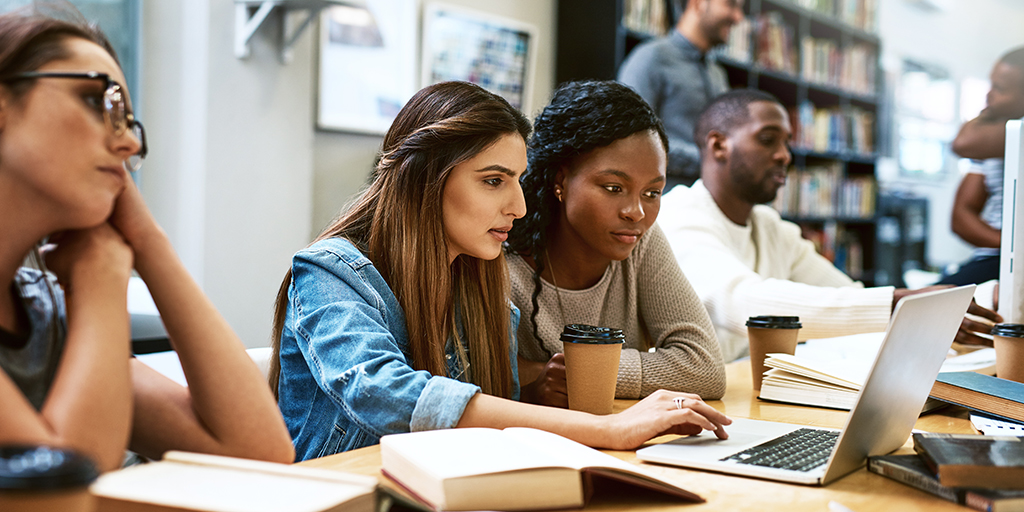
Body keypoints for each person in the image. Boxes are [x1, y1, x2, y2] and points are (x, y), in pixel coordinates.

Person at [270, 81, 732, 461]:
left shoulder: (477, 278)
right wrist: (606, 429)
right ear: (424, 179)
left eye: (517, 179)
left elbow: (497, 418)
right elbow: (389, 396)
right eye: (494, 181)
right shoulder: (330, 273)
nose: (518, 205)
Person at [0, 8, 294, 472]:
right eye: (98, 101)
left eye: (128, 121)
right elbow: (60, 497)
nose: (128, 145)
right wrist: (102, 278)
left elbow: (258, 451)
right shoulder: (84, 293)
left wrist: (147, 241)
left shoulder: (43, 318)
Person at [659, 89, 1002, 362]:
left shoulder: (769, 227)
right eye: (768, 139)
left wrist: (987, 295)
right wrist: (899, 304)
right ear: (719, 145)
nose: (785, 156)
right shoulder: (679, 216)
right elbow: (746, 305)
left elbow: (850, 299)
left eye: (787, 142)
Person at [505, 81, 725, 408]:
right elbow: (477, 375)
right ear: (560, 180)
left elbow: (706, 369)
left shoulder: (641, 242)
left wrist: (581, 373)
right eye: (613, 188)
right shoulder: (500, 256)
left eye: (652, 193)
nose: (635, 212)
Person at [617, 0, 744, 189]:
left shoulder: (718, 74)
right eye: (730, 4)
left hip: (713, 201)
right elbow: (630, 138)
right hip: (665, 204)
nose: (738, 17)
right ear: (699, 3)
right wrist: (709, 160)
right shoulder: (650, 59)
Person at [940, 47, 1024, 286]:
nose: (989, 95)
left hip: (1007, 261)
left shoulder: (1014, 132)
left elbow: (962, 142)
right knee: (928, 301)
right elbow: (961, 216)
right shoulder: (991, 140)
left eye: (1000, 89)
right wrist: (1009, 245)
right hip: (998, 257)